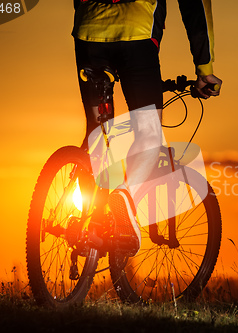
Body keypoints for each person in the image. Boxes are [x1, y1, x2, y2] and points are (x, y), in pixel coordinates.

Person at [71, 0, 222, 256]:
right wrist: (204, 69)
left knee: (97, 129)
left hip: (89, 31)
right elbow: (195, 7)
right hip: (137, 33)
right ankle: (124, 195)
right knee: (149, 133)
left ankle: (89, 224)